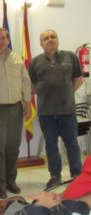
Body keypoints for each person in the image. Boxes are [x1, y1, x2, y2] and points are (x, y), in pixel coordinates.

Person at [29, 29, 83, 190]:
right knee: (51, 145)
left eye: (53, 37)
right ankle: (55, 176)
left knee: (72, 143)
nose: (50, 40)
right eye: (46, 38)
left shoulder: (70, 57)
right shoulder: (35, 62)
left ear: (58, 40)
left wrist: (66, 93)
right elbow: (32, 85)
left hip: (67, 110)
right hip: (46, 112)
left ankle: (76, 175)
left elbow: (78, 79)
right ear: (41, 44)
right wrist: (47, 94)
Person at [0, 27, 31, 199]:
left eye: (2, 38)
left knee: (13, 147)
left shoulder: (17, 57)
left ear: (8, 39)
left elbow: (26, 81)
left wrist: (27, 105)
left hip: (15, 109)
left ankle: (11, 181)